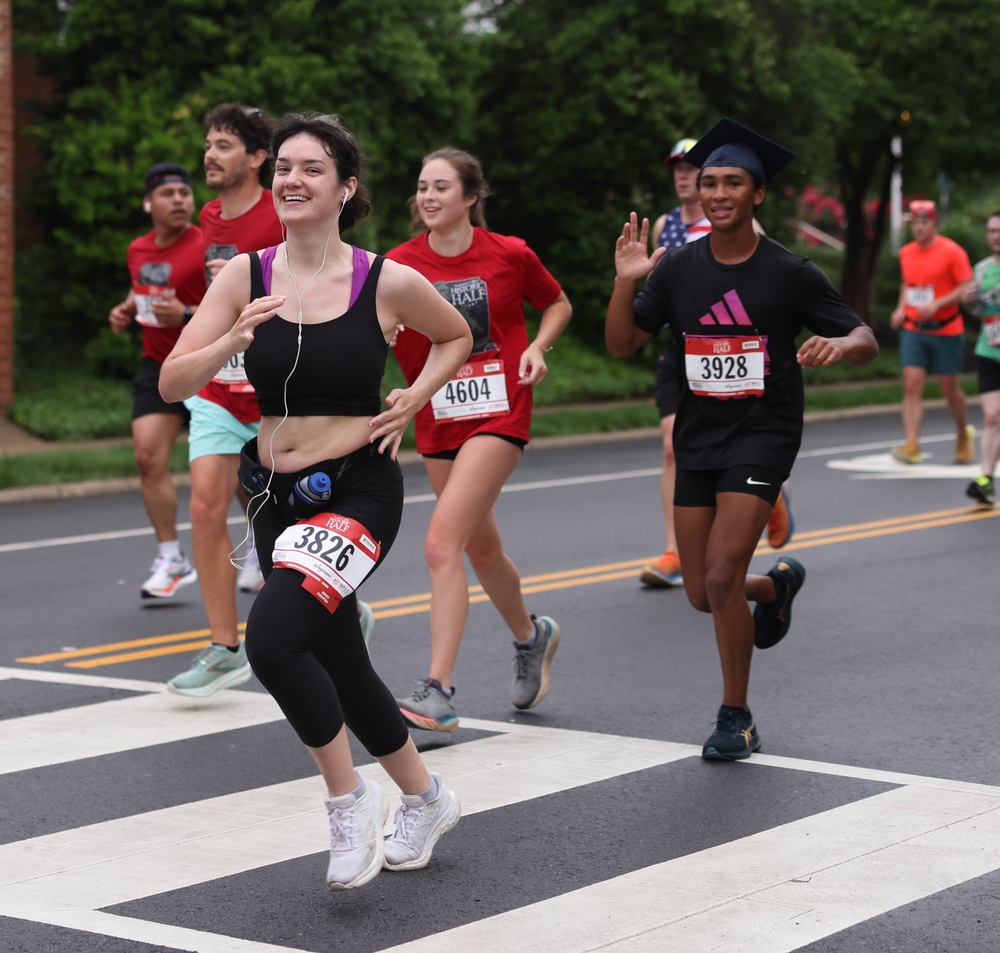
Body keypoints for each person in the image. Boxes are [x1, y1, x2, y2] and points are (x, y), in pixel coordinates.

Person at [160, 111, 472, 891]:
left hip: (357, 489)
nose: (291, 180)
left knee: (270, 643)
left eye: (311, 169)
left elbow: (457, 334)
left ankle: (347, 799)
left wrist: (416, 397)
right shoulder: (245, 276)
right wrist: (231, 341)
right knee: (336, 654)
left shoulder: (384, 279)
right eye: (284, 168)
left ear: (346, 188)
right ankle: (426, 798)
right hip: (270, 490)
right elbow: (172, 381)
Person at [606, 117, 878, 760]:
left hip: (763, 434)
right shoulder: (677, 270)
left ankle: (737, 716)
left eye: (733, 182)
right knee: (704, 593)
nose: (719, 192)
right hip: (702, 434)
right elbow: (621, 345)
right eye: (709, 183)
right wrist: (626, 279)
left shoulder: (790, 271)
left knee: (723, 572)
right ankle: (776, 586)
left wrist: (838, 344)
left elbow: (865, 336)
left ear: (758, 194)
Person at [388, 147, 573, 733]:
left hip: (499, 409)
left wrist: (539, 347)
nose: (428, 196)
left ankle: (437, 689)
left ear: (470, 196)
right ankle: (531, 634)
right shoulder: (397, 265)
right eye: (422, 186)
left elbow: (557, 302)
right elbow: (375, 329)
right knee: (480, 550)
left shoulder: (509, 253)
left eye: (441, 186)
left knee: (441, 542)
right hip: (436, 415)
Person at [164, 103, 282, 697]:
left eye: (225, 145)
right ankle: (223, 647)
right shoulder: (207, 217)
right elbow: (209, 302)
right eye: (209, 143)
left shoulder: (281, 215)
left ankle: (340, 609)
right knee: (207, 509)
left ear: (258, 158)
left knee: (289, 520)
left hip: (275, 391)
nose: (210, 154)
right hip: (216, 388)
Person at [640, 139, 792, 589]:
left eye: (692, 168)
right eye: (678, 169)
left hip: (731, 351)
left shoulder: (735, 218)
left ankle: (765, 492)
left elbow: (765, 276)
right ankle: (674, 550)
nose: (683, 176)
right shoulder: (665, 225)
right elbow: (657, 289)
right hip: (681, 351)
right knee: (673, 447)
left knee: (725, 450)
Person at [109, 163, 204, 601]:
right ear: (149, 203)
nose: (180, 200)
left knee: (237, 469)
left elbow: (235, 297)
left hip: (208, 364)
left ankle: (259, 551)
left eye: (185, 193)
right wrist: (126, 309)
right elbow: (141, 288)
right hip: (158, 366)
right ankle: (171, 557)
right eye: (168, 194)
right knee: (148, 455)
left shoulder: (205, 243)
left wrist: (185, 316)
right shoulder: (138, 249)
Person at [889, 199, 975, 465]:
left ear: (935, 223)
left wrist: (937, 303)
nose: (920, 227)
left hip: (946, 329)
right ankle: (912, 444)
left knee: (949, 388)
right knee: (912, 383)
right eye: (916, 222)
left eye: (925, 222)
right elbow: (908, 283)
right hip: (914, 329)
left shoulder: (952, 252)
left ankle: (962, 434)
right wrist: (900, 308)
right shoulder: (906, 252)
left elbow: (966, 287)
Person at [963, 210, 1000, 504]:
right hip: (989, 349)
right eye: (991, 230)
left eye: (999, 230)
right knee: (991, 415)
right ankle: (986, 478)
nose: (996, 236)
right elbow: (979, 314)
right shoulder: (981, 269)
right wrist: (970, 301)